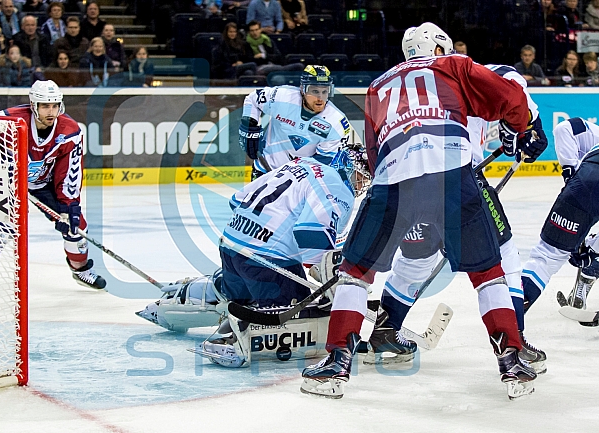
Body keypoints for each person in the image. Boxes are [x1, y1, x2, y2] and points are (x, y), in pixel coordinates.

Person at [299, 22, 542, 400]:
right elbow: (509, 96)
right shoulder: (454, 65)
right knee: (488, 272)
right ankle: (511, 362)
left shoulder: (379, 84)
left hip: (393, 180)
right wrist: (521, 127)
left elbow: (375, 149)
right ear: (441, 47)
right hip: (452, 176)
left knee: (357, 272)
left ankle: (336, 364)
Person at [349, 64, 548, 373]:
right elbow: (513, 86)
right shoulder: (463, 72)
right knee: (503, 252)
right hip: (462, 180)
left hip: (409, 182)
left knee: (418, 258)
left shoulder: (400, 83)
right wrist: (530, 129)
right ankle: (515, 342)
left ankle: (386, 329)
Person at [136, 149, 366, 367]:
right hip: (267, 262)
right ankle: (232, 338)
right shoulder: (338, 188)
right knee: (299, 313)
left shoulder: (302, 163)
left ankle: (185, 295)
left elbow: (237, 200)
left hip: (230, 246)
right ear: (347, 167)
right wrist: (332, 287)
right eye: (361, 175)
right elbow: (312, 235)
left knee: (237, 293)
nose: (362, 182)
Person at [0, 80, 106, 301]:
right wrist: (5, 164)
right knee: (3, 225)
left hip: (43, 183)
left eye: (55, 105)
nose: (51, 111)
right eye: (45, 106)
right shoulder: (8, 120)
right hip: (8, 181)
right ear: (33, 105)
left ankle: (81, 269)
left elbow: (69, 173)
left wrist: (69, 206)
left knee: (75, 225)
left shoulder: (69, 131)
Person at [521, 117, 599, 313]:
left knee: (545, 257)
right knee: (591, 253)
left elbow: (565, 128)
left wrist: (570, 174)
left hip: (583, 185)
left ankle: (509, 323)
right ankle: (591, 264)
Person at [241, 64, 352, 180]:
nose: (320, 98)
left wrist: (292, 178)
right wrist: (249, 126)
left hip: (301, 182)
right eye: (314, 91)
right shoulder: (281, 97)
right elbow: (253, 99)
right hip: (265, 170)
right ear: (302, 89)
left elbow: (323, 161)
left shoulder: (336, 122)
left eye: (325, 91)